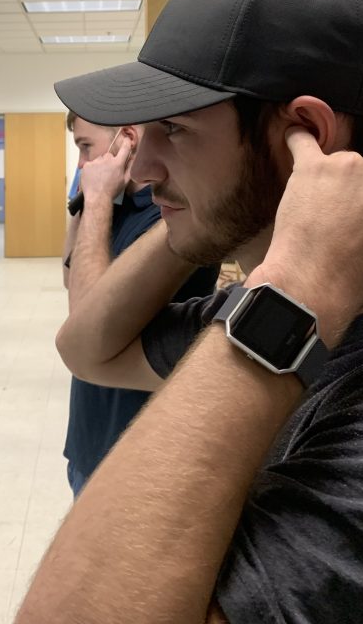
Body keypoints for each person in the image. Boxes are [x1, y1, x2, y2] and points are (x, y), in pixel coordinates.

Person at [15, 0, 363, 623]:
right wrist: (220, 225)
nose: (139, 169)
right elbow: (88, 349)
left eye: (175, 131)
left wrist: (302, 278)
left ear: (303, 132)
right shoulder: (253, 313)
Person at [62, 112, 217, 497]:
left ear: (127, 140)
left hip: (132, 452)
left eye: (85, 147)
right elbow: (70, 280)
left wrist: (96, 199)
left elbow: (86, 324)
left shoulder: (169, 219)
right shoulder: (113, 209)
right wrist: (81, 203)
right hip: (89, 437)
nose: (82, 164)